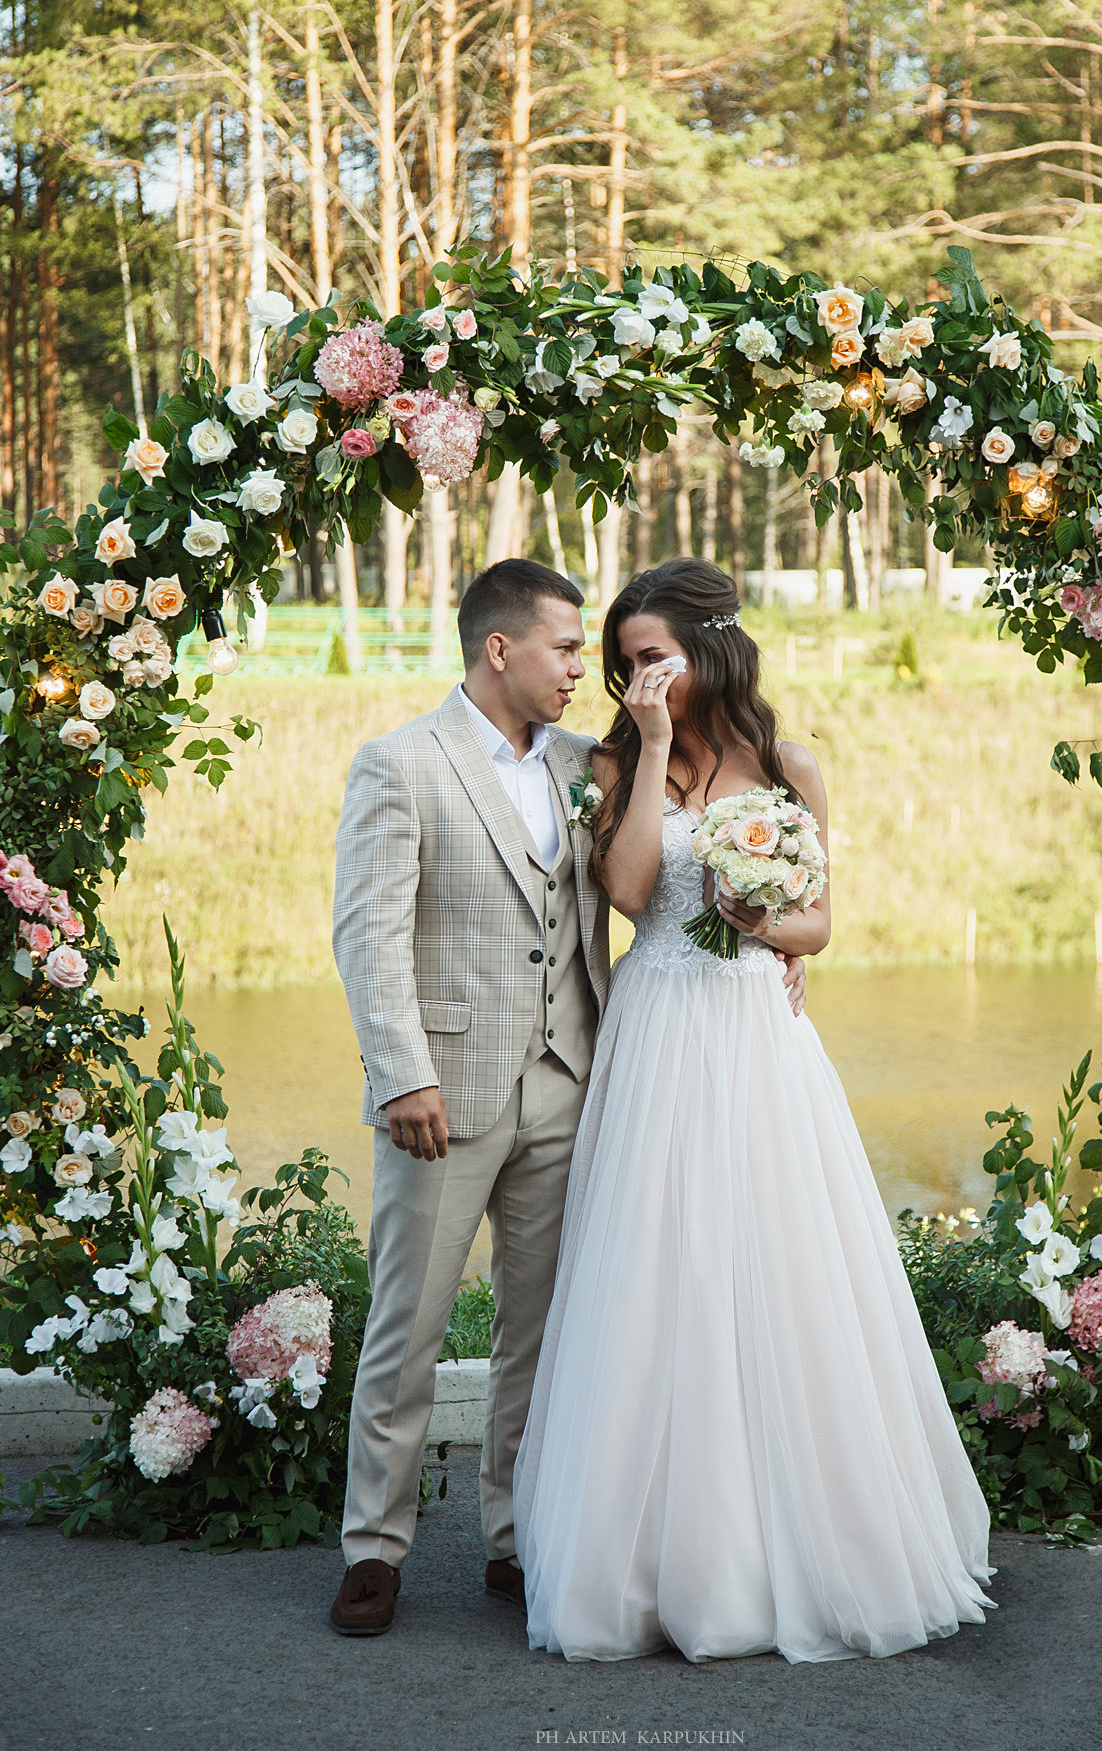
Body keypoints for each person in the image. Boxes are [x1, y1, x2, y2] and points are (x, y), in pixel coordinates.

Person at [513, 557, 995, 1664]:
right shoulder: (607, 762)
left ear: (707, 648)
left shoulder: (787, 766)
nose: (635, 677)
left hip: (756, 1039)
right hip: (659, 1030)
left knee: (776, 1268)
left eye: (653, 659)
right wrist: (641, 756)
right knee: (654, 1271)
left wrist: (761, 924)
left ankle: (810, 1544)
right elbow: (631, 894)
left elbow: (820, 924)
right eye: (624, 662)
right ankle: (647, 1561)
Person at [327, 558, 804, 1637]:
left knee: (540, 1334)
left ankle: (514, 1535)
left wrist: (771, 933)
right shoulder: (400, 765)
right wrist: (400, 1069)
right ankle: (374, 1547)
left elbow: (655, 876)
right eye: (562, 648)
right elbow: (367, 935)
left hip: (575, 1081)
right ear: (500, 649)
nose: (580, 670)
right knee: (407, 1326)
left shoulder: (589, 766)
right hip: (441, 1092)